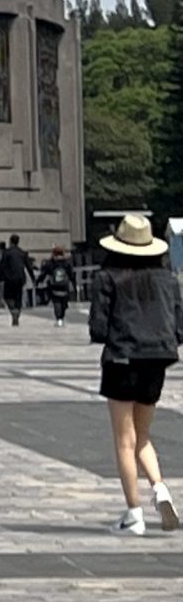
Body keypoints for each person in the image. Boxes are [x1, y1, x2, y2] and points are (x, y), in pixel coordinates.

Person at [91, 214, 181, 536]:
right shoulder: (167, 279)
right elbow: (179, 327)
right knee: (142, 435)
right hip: (157, 360)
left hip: (122, 358)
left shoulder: (108, 277)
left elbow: (99, 327)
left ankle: (133, 514)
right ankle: (160, 489)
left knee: (124, 440)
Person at [0, 235, 32, 327]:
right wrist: (33, 278)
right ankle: (17, 313)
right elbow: (29, 266)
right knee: (18, 298)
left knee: (7, 297)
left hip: (9, 279)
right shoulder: (22, 253)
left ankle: (13, 312)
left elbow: (1, 265)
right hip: (20, 278)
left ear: (10, 241)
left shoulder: (6, 253)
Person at [44, 247, 77, 327]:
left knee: (56, 302)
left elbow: (44, 273)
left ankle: (58, 319)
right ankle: (61, 317)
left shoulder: (51, 263)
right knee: (63, 303)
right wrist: (74, 285)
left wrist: (38, 281)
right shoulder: (66, 263)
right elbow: (71, 275)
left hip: (54, 286)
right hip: (64, 286)